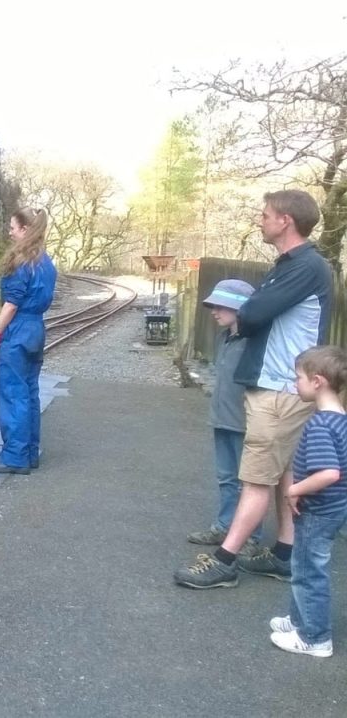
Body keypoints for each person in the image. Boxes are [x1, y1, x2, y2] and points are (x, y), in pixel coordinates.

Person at [174, 189, 334, 589]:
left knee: (257, 479)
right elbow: (251, 313)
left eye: (265, 215)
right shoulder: (291, 265)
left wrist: (247, 315)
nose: (260, 220)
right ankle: (283, 554)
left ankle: (224, 561)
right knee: (283, 476)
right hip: (284, 386)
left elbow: (254, 313)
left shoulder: (306, 266)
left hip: (280, 389)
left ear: (286, 221)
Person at [268, 345, 347, 657]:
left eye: (297, 377)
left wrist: (295, 490)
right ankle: (300, 618)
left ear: (318, 382)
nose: (294, 383)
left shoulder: (319, 424)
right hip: (333, 509)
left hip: (317, 511)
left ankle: (314, 638)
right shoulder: (341, 419)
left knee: (308, 571)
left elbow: (329, 472)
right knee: (305, 566)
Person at [187, 279, 262, 551]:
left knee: (249, 483)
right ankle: (224, 527)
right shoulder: (225, 338)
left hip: (245, 423)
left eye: (221, 306)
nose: (214, 311)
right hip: (222, 419)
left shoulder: (253, 341)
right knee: (226, 478)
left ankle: (250, 538)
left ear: (239, 308)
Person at [0, 208, 56, 475]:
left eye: (12, 227)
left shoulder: (21, 262)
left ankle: (14, 457)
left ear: (25, 230)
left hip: (18, 330)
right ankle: (30, 452)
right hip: (36, 328)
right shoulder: (46, 263)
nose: (9, 231)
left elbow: (11, 304)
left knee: (12, 393)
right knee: (29, 392)